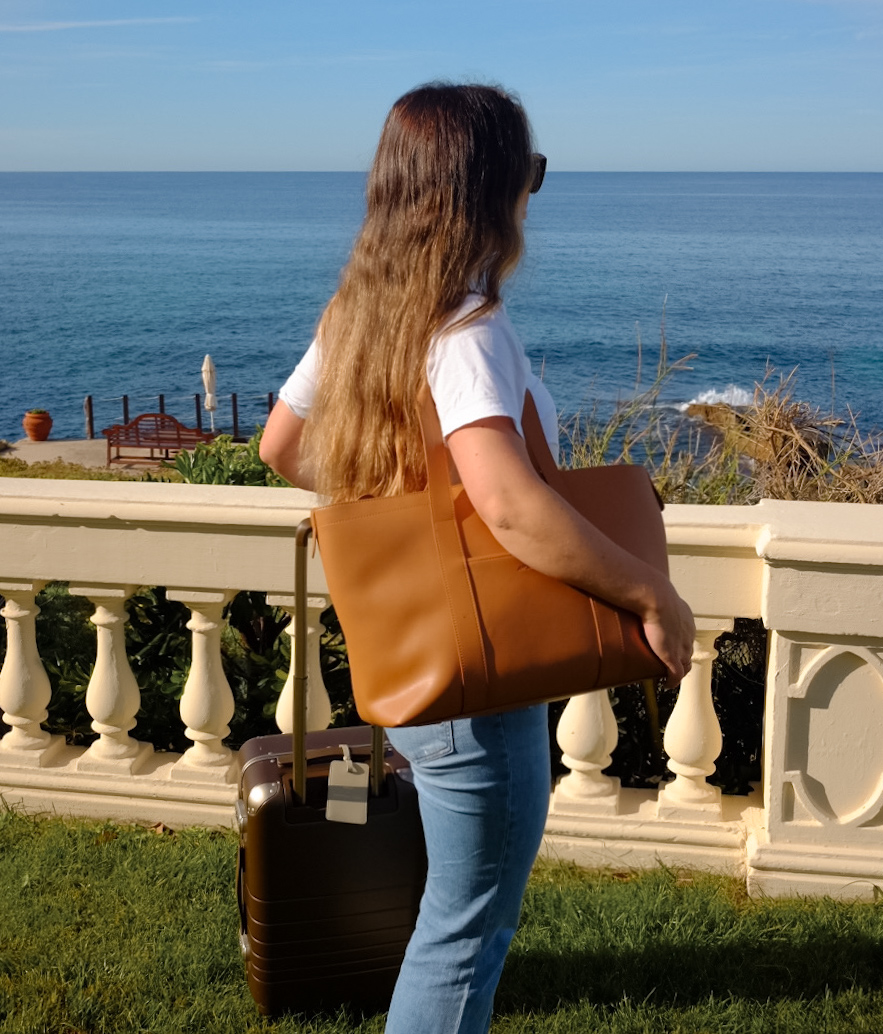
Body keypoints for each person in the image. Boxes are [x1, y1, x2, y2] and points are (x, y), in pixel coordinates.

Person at [259, 81, 695, 1034]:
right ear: (491, 191)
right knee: (464, 935)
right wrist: (649, 591)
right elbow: (507, 501)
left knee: (450, 917)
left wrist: (398, 508)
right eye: (529, 174)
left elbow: (284, 448)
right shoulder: (467, 330)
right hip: (482, 696)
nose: (532, 195)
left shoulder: (356, 315)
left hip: (420, 658)